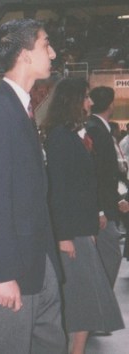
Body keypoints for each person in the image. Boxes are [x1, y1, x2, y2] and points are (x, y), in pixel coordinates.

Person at [0, 19, 66, 354]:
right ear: (23, 54)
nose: (53, 51)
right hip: (8, 272)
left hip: (37, 262)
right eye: (45, 43)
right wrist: (4, 274)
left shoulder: (18, 109)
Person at [42, 77, 124, 354]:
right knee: (81, 300)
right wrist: (64, 237)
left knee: (85, 301)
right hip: (71, 233)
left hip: (81, 229)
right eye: (86, 97)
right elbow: (59, 189)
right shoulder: (59, 138)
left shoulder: (69, 135)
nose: (90, 102)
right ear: (73, 102)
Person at [86, 86, 129, 288]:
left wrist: (117, 198)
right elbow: (97, 174)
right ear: (111, 105)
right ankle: (102, 299)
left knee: (108, 255)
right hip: (101, 208)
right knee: (110, 255)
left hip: (106, 201)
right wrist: (99, 210)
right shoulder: (96, 129)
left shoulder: (99, 127)